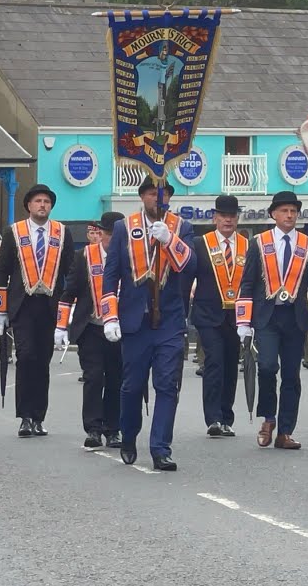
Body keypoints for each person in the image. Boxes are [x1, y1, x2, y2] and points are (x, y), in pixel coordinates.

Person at [101, 180, 195, 470]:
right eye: (153, 193)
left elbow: (191, 268)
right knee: (131, 387)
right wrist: (110, 315)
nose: (158, 198)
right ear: (142, 196)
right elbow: (111, 274)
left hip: (169, 319)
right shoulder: (124, 227)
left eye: (163, 193)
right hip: (134, 319)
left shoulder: (182, 227)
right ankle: (128, 435)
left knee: (168, 384)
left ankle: (160, 448)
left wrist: (169, 240)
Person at [236, 190, 308, 451]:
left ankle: (285, 431)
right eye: (285, 211)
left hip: (294, 317)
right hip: (267, 316)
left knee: (291, 375)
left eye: (293, 211)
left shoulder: (307, 245)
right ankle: (268, 418)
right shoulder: (258, 242)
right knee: (266, 367)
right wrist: (243, 322)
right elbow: (248, 282)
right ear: (274, 214)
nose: (289, 215)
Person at [0, 184, 76, 438]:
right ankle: (25, 417)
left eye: (47, 202)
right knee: (26, 356)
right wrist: (0, 309)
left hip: (50, 304)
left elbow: (70, 271)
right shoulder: (14, 232)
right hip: (23, 304)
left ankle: (38, 417)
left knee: (42, 362)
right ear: (29, 205)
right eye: (38, 201)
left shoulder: (62, 233)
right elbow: (3, 271)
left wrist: (68, 306)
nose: (42, 205)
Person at [57, 212, 125, 449]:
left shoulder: (130, 257)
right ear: (101, 233)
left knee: (116, 379)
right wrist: (61, 325)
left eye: (117, 235)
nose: (111, 239)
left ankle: (113, 429)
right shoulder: (85, 256)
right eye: (108, 234)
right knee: (94, 377)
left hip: (120, 329)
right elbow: (69, 292)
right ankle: (94, 429)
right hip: (92, 327)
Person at [190, 195, 247, 438]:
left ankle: (226, 416)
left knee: (231, 365)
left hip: (237, 317)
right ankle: (213, 418)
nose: (228, 220)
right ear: (215, 217)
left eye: (232, 216)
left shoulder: (247, 245)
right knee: (214, 362)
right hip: (208, 314)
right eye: (223, 215)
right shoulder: (200, 243)